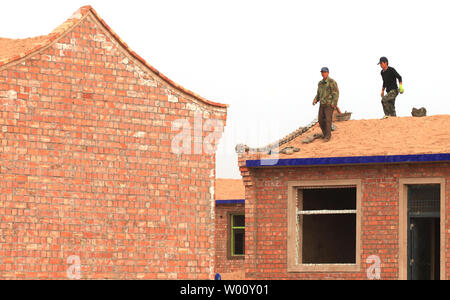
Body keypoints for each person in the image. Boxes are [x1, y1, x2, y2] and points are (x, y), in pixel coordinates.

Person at [313, 67, 339, 142]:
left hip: (329, 104)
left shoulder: (332, 82)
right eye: (322, 72)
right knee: (320, 120)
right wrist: (315, 99)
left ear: (328, 73)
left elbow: (336, 93)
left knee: (328, 120)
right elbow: (318, 93)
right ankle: (325, 134)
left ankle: (328, 136)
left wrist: (334, 104)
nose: (323, 73)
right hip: (322, 104)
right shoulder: (320, 83)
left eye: (325, 72)